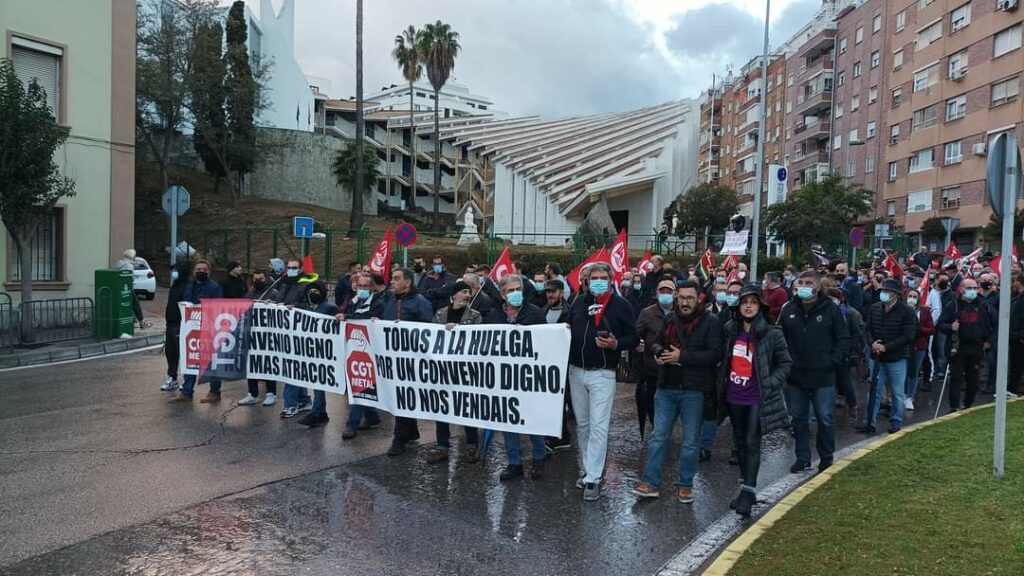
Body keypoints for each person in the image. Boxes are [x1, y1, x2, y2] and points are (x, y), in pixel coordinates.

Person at [631, 281, 722, 504]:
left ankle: (685, 484)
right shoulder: (670, 319)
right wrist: (659, 352)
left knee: (691, 441)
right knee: (659, 436)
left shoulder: (711, 322)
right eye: (681, 297)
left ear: (699, 298)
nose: (684, 302)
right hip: (666, 387)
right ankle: (651, 482)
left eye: (689, 298)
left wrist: (682, 357)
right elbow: (656, 343)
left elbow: (714, 355)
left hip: (694, 390)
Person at [717, 284, 793, 517]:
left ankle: (748, 492)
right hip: (733, 395)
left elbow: (785, 363)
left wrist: (769, 383)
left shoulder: (772, 332)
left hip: (756, 397)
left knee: (751, 442)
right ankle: (745, 488)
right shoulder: (730, 329)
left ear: (760, 306)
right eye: (744, 302)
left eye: (753, 302)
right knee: (740, 442)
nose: (748, 306)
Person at [565, 263, 638, 501]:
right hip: (576, 371)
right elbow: (566, 327)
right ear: (586, 280)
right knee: (584, 425)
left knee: (598, 426)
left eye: (601, 277)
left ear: (610, 279)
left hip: (603, 373)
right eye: (593, 277)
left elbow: (633, 337)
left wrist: (616, 344)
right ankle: (588, 469)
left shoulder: (620, 305)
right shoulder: (579, 303)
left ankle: (594, 478)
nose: (597, 281)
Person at [778, 271, 848, 473]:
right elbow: (780, 337)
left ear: (817, 287)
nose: (804, 286)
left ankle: (826, 456)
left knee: (825, 417)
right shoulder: (789, 309)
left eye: (808, 283)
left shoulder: (831, 310)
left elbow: (842, 338)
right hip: (796, 376)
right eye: (801, 283)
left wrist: (832, 361)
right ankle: (802, 457)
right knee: (798, 419)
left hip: (822, 375)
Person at [487, 275, 550, 480]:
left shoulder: (535, 313)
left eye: (518, 289)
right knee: (508, 420)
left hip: (528, 376)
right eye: (511, 290)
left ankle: (539, 457)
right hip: (504, 376)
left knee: (532, 419)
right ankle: (514, 462)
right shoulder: (495, 314)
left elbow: (545, 342)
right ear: (503, 294)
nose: (516, 294)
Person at [424, 281, 484, 464]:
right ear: (454, 295)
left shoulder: (475, 316)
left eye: (469, 292)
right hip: (443, 371)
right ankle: (442, 446)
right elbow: (431, 337)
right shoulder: (441, 313)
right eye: (463, 291)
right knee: (442, 408)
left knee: (466, 408)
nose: (467, 295)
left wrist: (458, 330)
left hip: (465, 371)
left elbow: (478, 339)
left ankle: (472, 445)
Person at [381, 268, 435, 456]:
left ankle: (399, 438)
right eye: (392, 278)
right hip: (391, 359)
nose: (392, 282)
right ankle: (411, 431)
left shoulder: (421, 303)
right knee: (400, 396)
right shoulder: (389, 300)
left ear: (408, 282)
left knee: (403, 396)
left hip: (411, 362)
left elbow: (428, 331)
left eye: (396, 279)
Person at [857, 279, 917, 434]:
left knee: (897, 392)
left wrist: (886, 347)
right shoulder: (875, 308)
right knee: (874, 390)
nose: (884, 294)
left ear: (896, 295)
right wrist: (872, 344)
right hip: (876, 357)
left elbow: (908, 335)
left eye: (887, 292)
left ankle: (896, 421)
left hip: (897, 358)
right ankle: (869, 422)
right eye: (883, 291)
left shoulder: (907, 311)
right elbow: (867, 329)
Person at [329, 273, 385, 436]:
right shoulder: (352, 302)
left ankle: (351, 425)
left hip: (370, 351)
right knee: (359, 385)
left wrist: (347, 317)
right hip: (353, 349)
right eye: (359, 286)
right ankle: (371, 416)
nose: (362, 289)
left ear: (372, 288)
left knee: (359, 386)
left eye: (366, 287)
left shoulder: (378, 304)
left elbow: (365, 318)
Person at [169, 260, 224, 403]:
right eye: (198, 269)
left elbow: (217, 307)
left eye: (204, 269)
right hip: (191, 330)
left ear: (209, 271)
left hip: (209, 329)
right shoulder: (189, 286)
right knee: (190, 360)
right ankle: (186, 392)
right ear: (194, 271)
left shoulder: (214, 287)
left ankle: (214, 391)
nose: (201, 271)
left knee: (211, 361)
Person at [937, 278, 992, 412]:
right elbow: (940, 325)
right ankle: (954, 406)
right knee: (955, 377)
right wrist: (951, 327)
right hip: (958, 347)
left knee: (972, 379)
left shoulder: (983, 305)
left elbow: (991, 325)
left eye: (974, 288)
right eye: (969, 288)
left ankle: (968, 405)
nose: (972, 291)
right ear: (961, 289)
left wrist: (988, 341)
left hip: (976, 348)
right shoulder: (953, 305)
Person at [635, 278, 677, 441]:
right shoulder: (647, 313)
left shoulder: (680, 312)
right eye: (663, 291)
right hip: (652, 368)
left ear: (675, 294)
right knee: (653, 401)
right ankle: (656, 429)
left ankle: (665, 429)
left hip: (674, 367)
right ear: (657, 293)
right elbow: (636, 335)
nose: (666, 294)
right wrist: (637, 346)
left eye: (669, 291)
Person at [275, 259, 313, 418]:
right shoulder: (284, 284)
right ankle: (303, 399)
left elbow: (310, 306)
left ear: (301, 269)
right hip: (284, 332)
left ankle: (290, 404)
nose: (291, 270)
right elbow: (279, 301)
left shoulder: (306, 285)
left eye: (294, 268)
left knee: (291, 368)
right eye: (289, 267)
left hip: (298, 333)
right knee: (296, 368)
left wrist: (295, 307)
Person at [542, 279, 573, 451]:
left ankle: (561, 435)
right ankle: (555, 434)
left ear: (561, 293)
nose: (550, 295)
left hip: (564, 362)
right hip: (547, 361)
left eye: (553, 291)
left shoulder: (570, 312)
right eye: (548, 292)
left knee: (561, 400)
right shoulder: (543, 310)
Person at [239, 269, 278, 407]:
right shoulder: (249, 294)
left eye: (260, 279)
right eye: (255, 279)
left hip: (267, 336)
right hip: (251, 334)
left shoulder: (273, 294)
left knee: (267, 364)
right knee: (252, 364)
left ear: (266, 279)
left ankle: (271, 393)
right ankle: (253, 394)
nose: (258, 281)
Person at [824, 287, 863, 423]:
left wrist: (851, 352)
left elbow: (856, 335)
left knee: (845, 381)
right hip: (827, 352)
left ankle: (852, 406)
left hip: (844, 353)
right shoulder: (825, 312)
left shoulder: (851, 314)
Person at [903, 288, 935, 411]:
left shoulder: (925, 311)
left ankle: (910, 397)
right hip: (904, 346)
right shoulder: (902, 310)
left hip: (919, 346)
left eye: (914, 296)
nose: (912, 299)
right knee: (903, 372)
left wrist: (918, 329)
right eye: (910, 296)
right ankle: (902, 395)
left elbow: (931, 329)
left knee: (913, 372)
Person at [161, 262, 191, 392]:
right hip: (171, 323)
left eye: (175, 270)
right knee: (170, 352)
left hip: (181, 324)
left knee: (182, 352)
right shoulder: (174, 286)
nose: (173, 273)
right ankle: (172, 377)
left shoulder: (187, 287)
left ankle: (186, 381)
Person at [116, 248, 149, 329]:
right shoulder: (130, 266)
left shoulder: (119, 263)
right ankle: (141, 322)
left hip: (118, 287)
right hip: (127, 288)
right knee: (135, 303)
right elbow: (130, 278)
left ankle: (137, 321)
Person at [1009, 274, 1024, 396]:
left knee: (1017, 364)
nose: (1013, 283)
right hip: (1016, 336)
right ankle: (1012, 387)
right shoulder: (1016, 297)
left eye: (1015, 281)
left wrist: (1019, 335)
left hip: (1019, 338)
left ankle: (1014, 388)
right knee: (1015, 364)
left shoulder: (1020, 300)